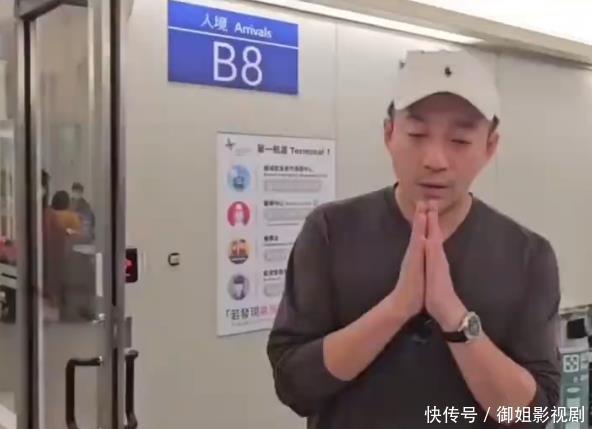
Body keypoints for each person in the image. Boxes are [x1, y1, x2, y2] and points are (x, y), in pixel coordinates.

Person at [267, 50, 560, 428]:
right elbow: (294, 384)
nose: (435, 159)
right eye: (417, 134)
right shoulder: (330, 230)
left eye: (460, 140)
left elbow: (535, 414)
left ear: (490, 147)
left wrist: (453, 315)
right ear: (389, 133)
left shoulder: (528, 255)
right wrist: (397, 307)